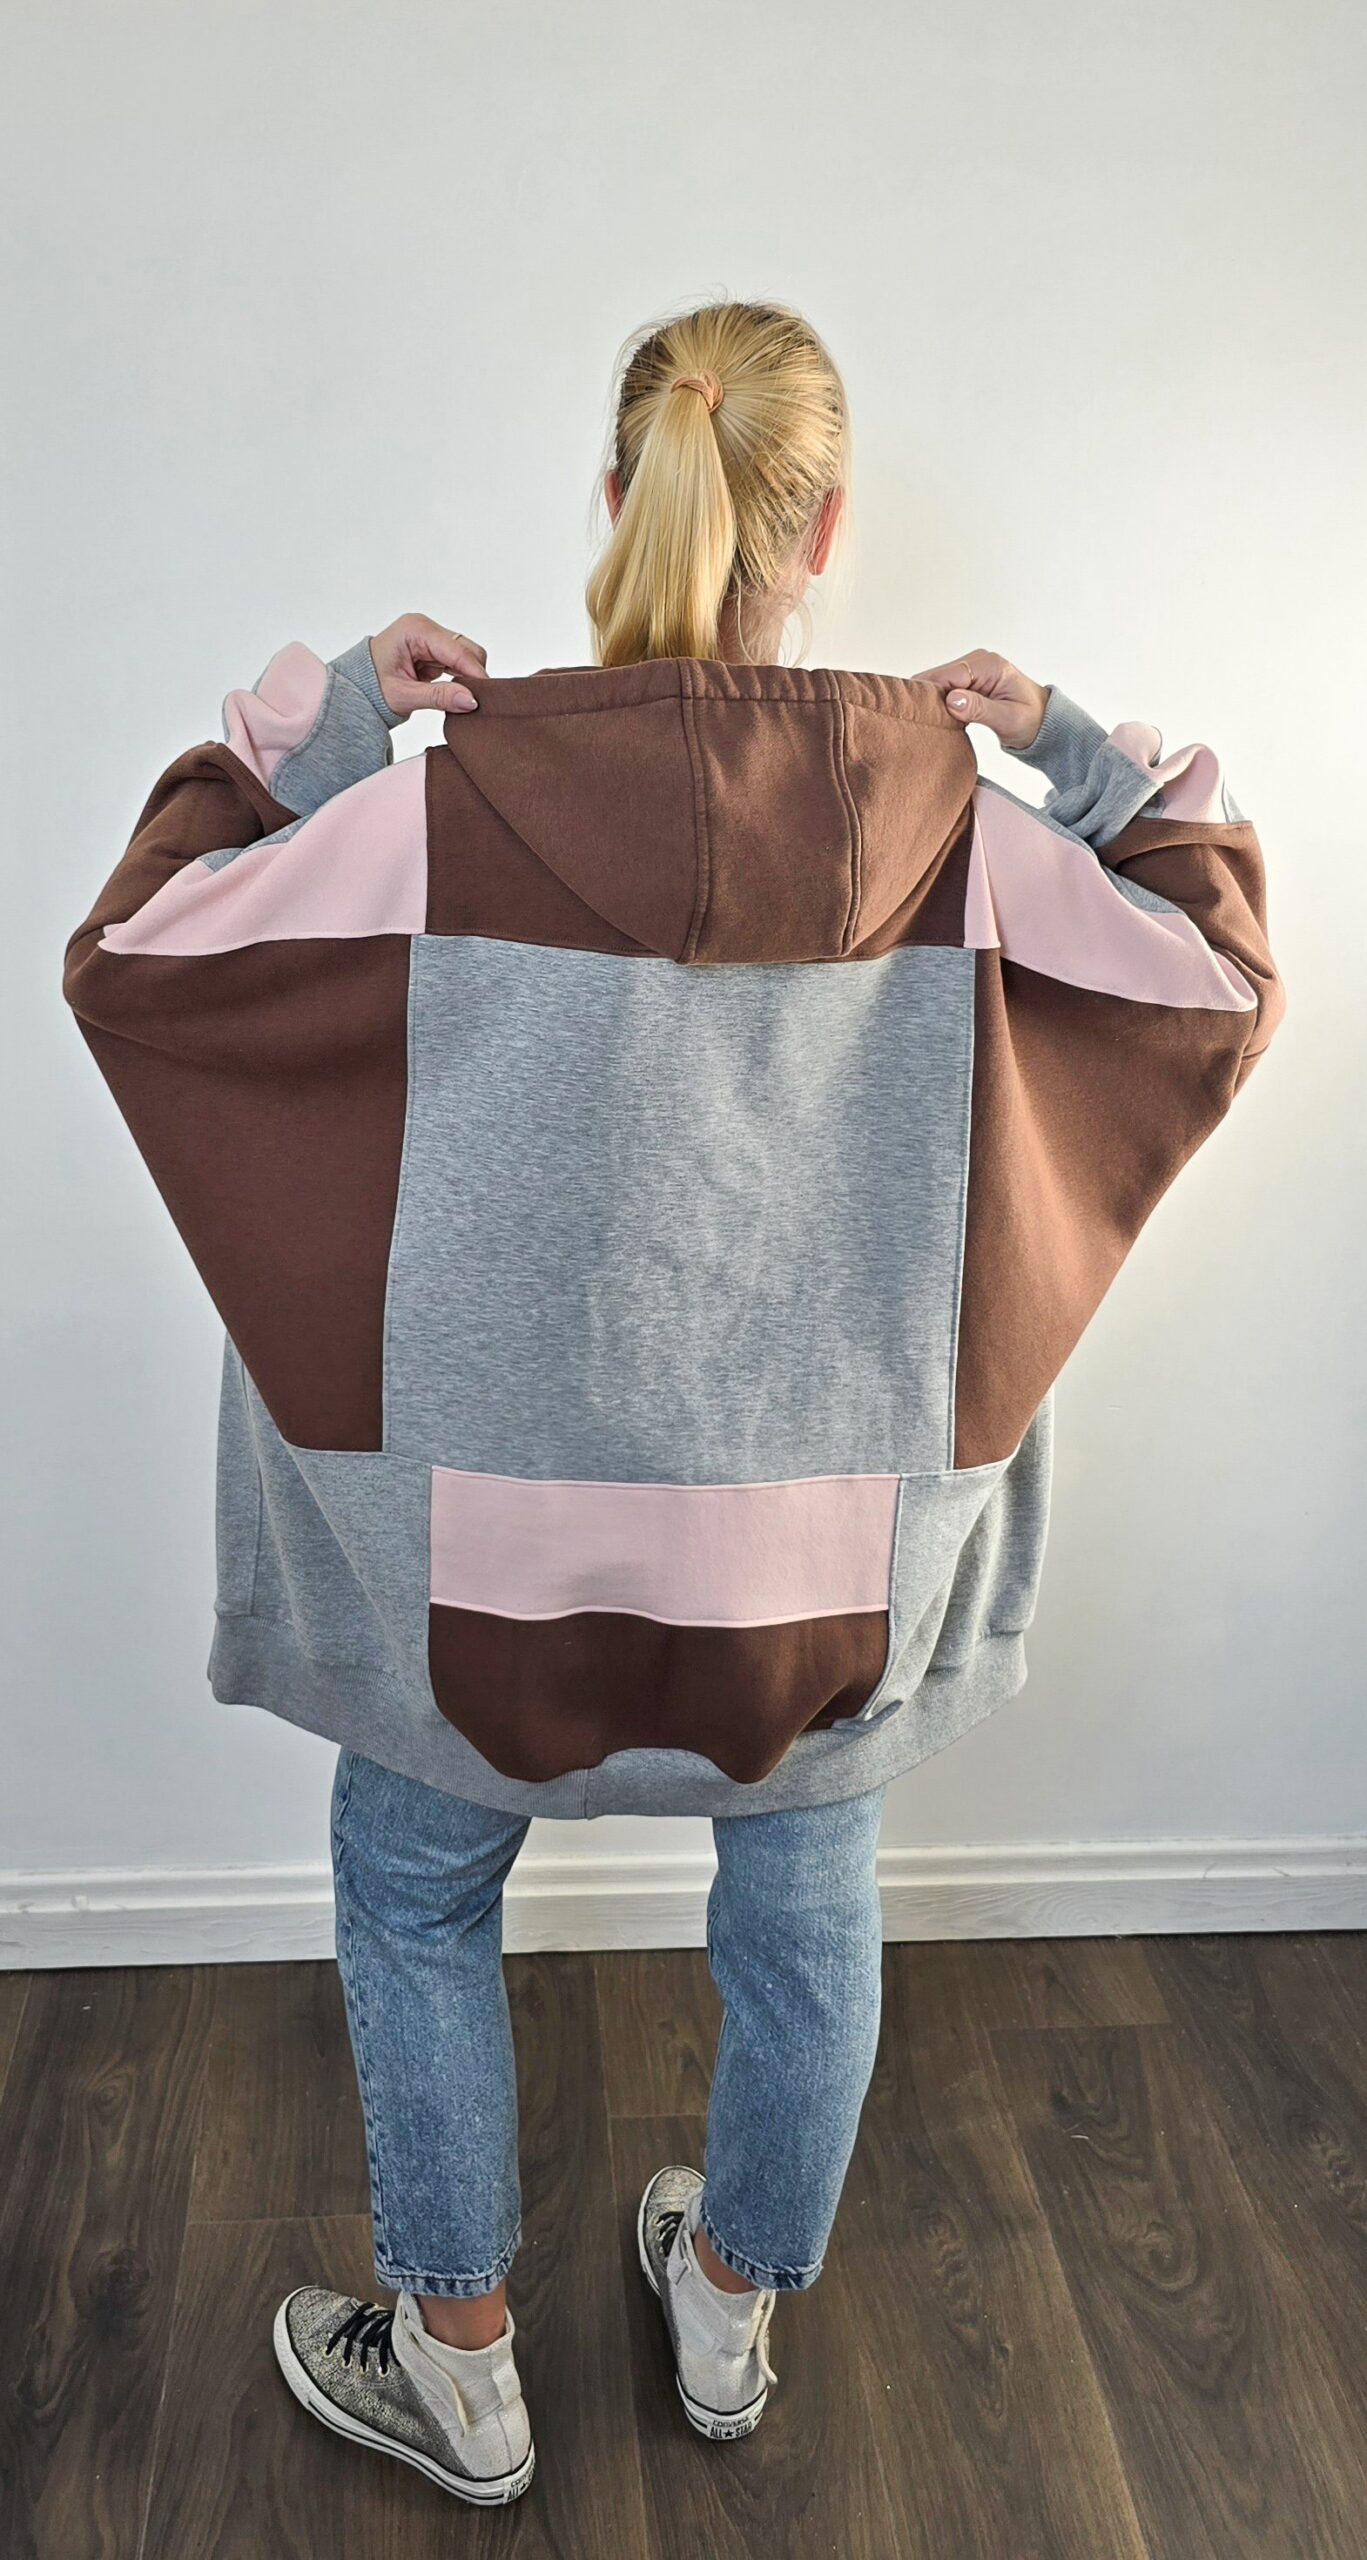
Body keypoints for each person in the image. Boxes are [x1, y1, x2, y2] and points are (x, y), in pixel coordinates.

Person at [62, 298, 1284, 2507]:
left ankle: (459, 2362)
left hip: (470, 1577)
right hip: (822, 1577)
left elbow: (141, 951)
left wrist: (327, 733)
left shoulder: (437, 816)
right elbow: (1217, 971)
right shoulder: (962, 837)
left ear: (618, 499)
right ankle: (729, 2301)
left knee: (413, 1888)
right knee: (806, 1917)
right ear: (827, 528)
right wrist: (1074, 757)